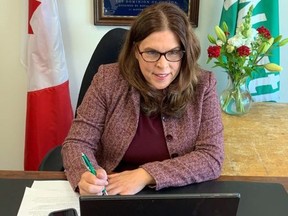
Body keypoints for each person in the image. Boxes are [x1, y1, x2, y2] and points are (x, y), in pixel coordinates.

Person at [62, 2, 224, 196]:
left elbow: (211, 157)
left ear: (186, 53)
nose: (162, 65)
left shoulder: (203, 85)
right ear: (135, 51)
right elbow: (77, 143)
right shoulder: (107, 80)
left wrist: (145, 175)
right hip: (112, 192)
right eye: (152, 53)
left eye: (173, 52)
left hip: (175, 194)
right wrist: (85, 176)